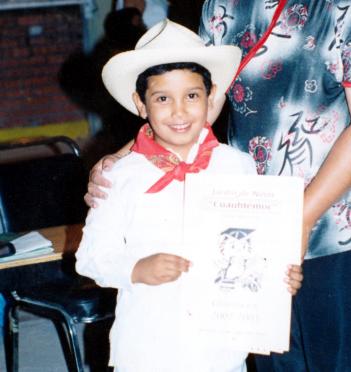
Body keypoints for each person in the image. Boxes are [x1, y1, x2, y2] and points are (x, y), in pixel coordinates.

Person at [85, 1, 351, 371]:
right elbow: (202, 97)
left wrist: (298, 219)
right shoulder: (223, 5)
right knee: (275, 362)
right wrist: (124, 161)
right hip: (245, 219)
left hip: (339, 224)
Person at [75, 20, 303, 372]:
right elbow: (90, 257)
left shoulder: (238, 166)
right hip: (148, 345)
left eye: (192, 96)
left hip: (220, 350)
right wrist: (136, 268)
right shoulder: (120, 177)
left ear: (210, 97)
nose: (179, 111)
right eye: (162, 98)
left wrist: (279, 275)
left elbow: (257, 247)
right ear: (140, 104)